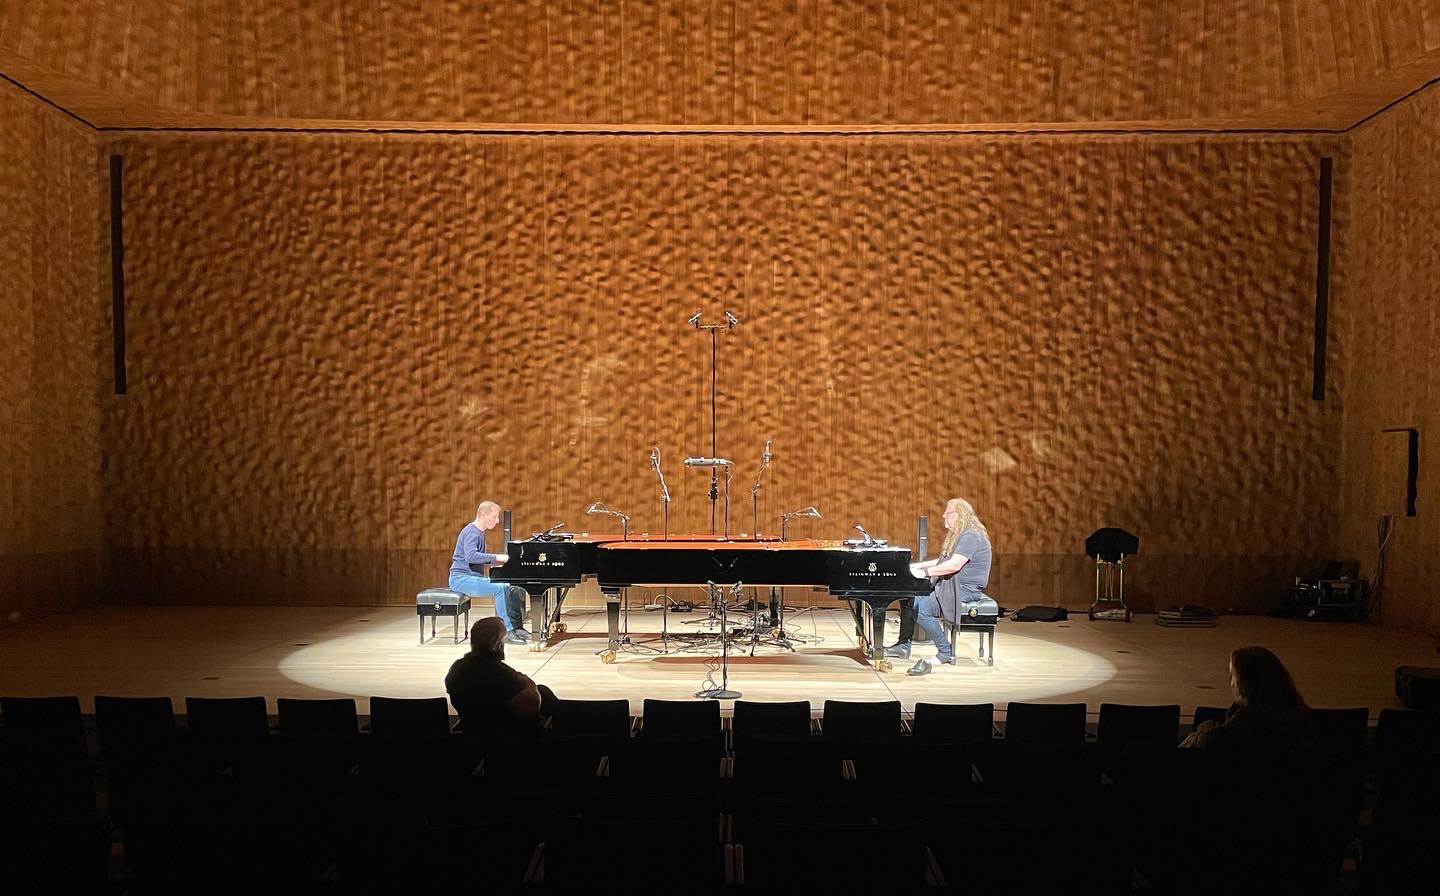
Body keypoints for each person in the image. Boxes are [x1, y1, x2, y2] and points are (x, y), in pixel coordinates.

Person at [896, 497, 993, 675]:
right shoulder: (962, 534)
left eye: (948, 513)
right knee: (911, 597)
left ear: (960, 515)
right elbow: (943, 561)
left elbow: (954, 565)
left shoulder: (971, 536)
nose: (943, 516)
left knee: (920, 607)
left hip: (964, 590)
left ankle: (945, 651)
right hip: (953, 585)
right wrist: (917, 566)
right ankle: (903, 645)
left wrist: (926, 573)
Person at [1180, 645, 1318, 750]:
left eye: (1233, 675)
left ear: (1245, 683)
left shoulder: (1251, 718)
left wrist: (1203, 732)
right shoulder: (1297, 713)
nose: (1230, 681)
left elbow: (1210, 741)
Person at [445, 617, 556, 734]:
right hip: (507, 735)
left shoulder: (457, 669)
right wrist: (530, 684)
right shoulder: (500, 673)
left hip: (471, 730)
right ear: (498, 644)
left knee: (543, 691)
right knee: (543, 693)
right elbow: (531, 707)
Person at [449, 500, 530, 643]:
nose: (498, 520)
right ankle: (507, 632)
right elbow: (471, 556)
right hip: (461, 579)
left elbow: (481, 558)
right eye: (495, 516)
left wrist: (503, 562)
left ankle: (517, 627)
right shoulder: (472, 532)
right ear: (483, 514)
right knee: (500, 588)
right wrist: (498, 557)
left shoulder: (479, 532)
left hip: (470, 578)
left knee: (512, 585)